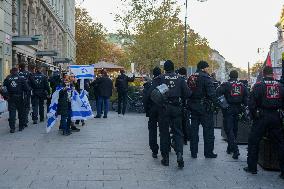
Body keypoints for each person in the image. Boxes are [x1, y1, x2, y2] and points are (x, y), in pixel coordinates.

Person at [244, 66, 284, 179]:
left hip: (261, 116)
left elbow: (251, 104)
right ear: (272, 74)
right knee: (280, 143)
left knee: (253, 141)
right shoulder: (280, 86)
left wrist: (254, 116)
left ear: (263, 73)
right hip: (276, 116)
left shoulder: (258, 86)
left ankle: (252, 168)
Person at [157, 60, 191, 168]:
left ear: (164, 69)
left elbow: (154, 94)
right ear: (173, 67)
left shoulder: (160, 78)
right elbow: (188, 93)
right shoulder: (180, 79)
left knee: (164, 133)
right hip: (176, 107)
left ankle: (165, 158)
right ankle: (179, 154)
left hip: (164, 108)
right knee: (178, 132)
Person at [187, 61, 220, 159]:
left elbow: (188, 91)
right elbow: (211, 94)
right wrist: (217, 104)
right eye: (207, 68)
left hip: (193, 107)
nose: (208, 69)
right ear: (203, 68)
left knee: (194, 131)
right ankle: (208, 152)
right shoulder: (206, 78)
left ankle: (193, 152)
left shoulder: (191, 77)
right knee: (208, 131)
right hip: (204, 108)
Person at [216, 70, 248, 159]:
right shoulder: (242, 85)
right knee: (234, 129)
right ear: (237, 76)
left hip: (228, 109)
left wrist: (224, 105)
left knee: (229, 129)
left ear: (229, 76)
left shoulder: (226, 84)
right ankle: (230, 147)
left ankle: (235, 149)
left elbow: (218, 93)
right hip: (238, 109)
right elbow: (246, 99)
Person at [143, 67, 162, 159]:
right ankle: (165, 149)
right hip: (163, 109)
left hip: (152, 110)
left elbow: (145, 98)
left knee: (152, 130)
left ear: (153, 74)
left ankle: (154, 150)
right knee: (164, 130)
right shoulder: (164, 82)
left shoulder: (149, 84)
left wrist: (147, 111)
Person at [3, 67, 29, 133]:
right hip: (19, 97)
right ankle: (21, 127)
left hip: (11, 98)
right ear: (17, 71)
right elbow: (26, 88)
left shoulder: (7, 78)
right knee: (21, 112)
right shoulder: (21, 78)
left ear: (11, 72)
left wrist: (6, 96)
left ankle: (12, 128)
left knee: (12, 113)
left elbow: (3, 88)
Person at [178, 67, 190, 145]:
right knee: (186, 121)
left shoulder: (178, 80)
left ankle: (181, 138)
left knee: (179, 122)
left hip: (179, 103)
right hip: (186, 104)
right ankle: (186, 138)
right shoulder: (188, 80)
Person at [18, 62, 33, 128]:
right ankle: (25, 120)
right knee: (26, 107)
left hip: (20, 93)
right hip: (27, 93)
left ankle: (21, 120)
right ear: (25, 67)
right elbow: (33, 82)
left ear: (19, 67)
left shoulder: (17, 74)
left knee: (20, 107)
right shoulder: (28, 73)